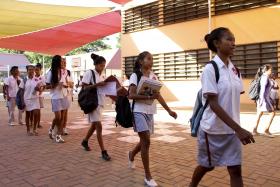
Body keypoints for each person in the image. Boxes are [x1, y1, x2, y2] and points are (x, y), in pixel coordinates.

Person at [189, 28, 255, 187]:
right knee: (207, 166)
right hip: (212, 130)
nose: (234, 43)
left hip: (231, 131)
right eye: (229, 39)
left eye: (234, 40)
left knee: (235, 171)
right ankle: (191, 185)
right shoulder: (210, 69)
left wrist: (236, 129)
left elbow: (231, 101)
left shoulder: (235, 70)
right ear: (217, 43)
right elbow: (213, 103)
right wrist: (239, 129)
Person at [127, 51, 177, 187]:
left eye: (152, 59)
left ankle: (131, 154)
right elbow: (130, 96)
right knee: (146, 141)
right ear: (141, 61)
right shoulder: (135, 75)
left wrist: (169, 111)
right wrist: (148, 97)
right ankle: (148, 176)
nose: (151, 61)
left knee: (144, 141)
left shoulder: (154, 76)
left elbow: (158, 96)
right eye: (148, 58)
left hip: (150, 112)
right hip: (138, 111)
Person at [81, 53, 111, 161]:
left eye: (104, 65)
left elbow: (102, 89)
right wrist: (97, 85)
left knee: (94, 125)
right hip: (92, 103)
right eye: (101, 65)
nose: (102, 68)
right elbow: (84, 87)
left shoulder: (101, 75)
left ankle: (85, 141)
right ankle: (103, 151)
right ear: (96, 65)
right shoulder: (90, 73)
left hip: (100, 103)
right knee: (99, 126)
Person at [46, 55, 69, 143]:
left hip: (64, 95)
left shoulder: (63, 71)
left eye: (63, 61)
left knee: (62, 117)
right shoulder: (51, 72)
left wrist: (65, 85)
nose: (63, 62)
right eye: (61, 61)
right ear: (57, 62)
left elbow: (65, 82)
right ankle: (51, 129)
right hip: (55, 96)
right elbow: (47, 86)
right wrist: (55, 85)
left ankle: (58, 135)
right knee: (58, 117)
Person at [253, 65, 276, 137]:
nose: (271, 71)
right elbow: (262, 90)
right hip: (264, 99)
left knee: (259, 114)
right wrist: (261, 101)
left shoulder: (266, 77)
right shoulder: (264, 77)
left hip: (263, 99)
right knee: (272, 113)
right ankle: (266, 130)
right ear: (266, 70)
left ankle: (254, 131)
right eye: (270, 70)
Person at [19, 65, 42, 136]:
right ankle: (28, 130)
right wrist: (22, 101)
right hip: (27, 99)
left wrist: (38, 89)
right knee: (28, 115)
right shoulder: (24, 80)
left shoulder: (37, 79)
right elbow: (21, 91)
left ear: (34, 71)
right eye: (29, 69)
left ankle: (34, 129)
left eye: (32, 69)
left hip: (35, 99)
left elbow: (40, 89)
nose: (31, 71)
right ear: (27, 71)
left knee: (36, 113)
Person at [61, 58, 74, 135]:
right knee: (61, 113)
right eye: (62, 62)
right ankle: (58, 128)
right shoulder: (58, 72)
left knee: (65, 112)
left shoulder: (68, 72)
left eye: (65, 62)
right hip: (60, 95)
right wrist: (67, 83)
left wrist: (68, 83)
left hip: (67, 94)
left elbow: (72, 84)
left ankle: (64, 128)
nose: (64, 63)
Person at [34, 63, 46, 129]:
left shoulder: (42, 77)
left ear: (40, 70)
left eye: (37, 70)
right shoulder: (33, 77)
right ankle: (33, 122)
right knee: (33, 110)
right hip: (33, 96)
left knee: (38, 110)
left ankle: (38, 123)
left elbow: (44, 86)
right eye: (35, 69)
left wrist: (41, 91)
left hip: (40, 96)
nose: (36, 71)